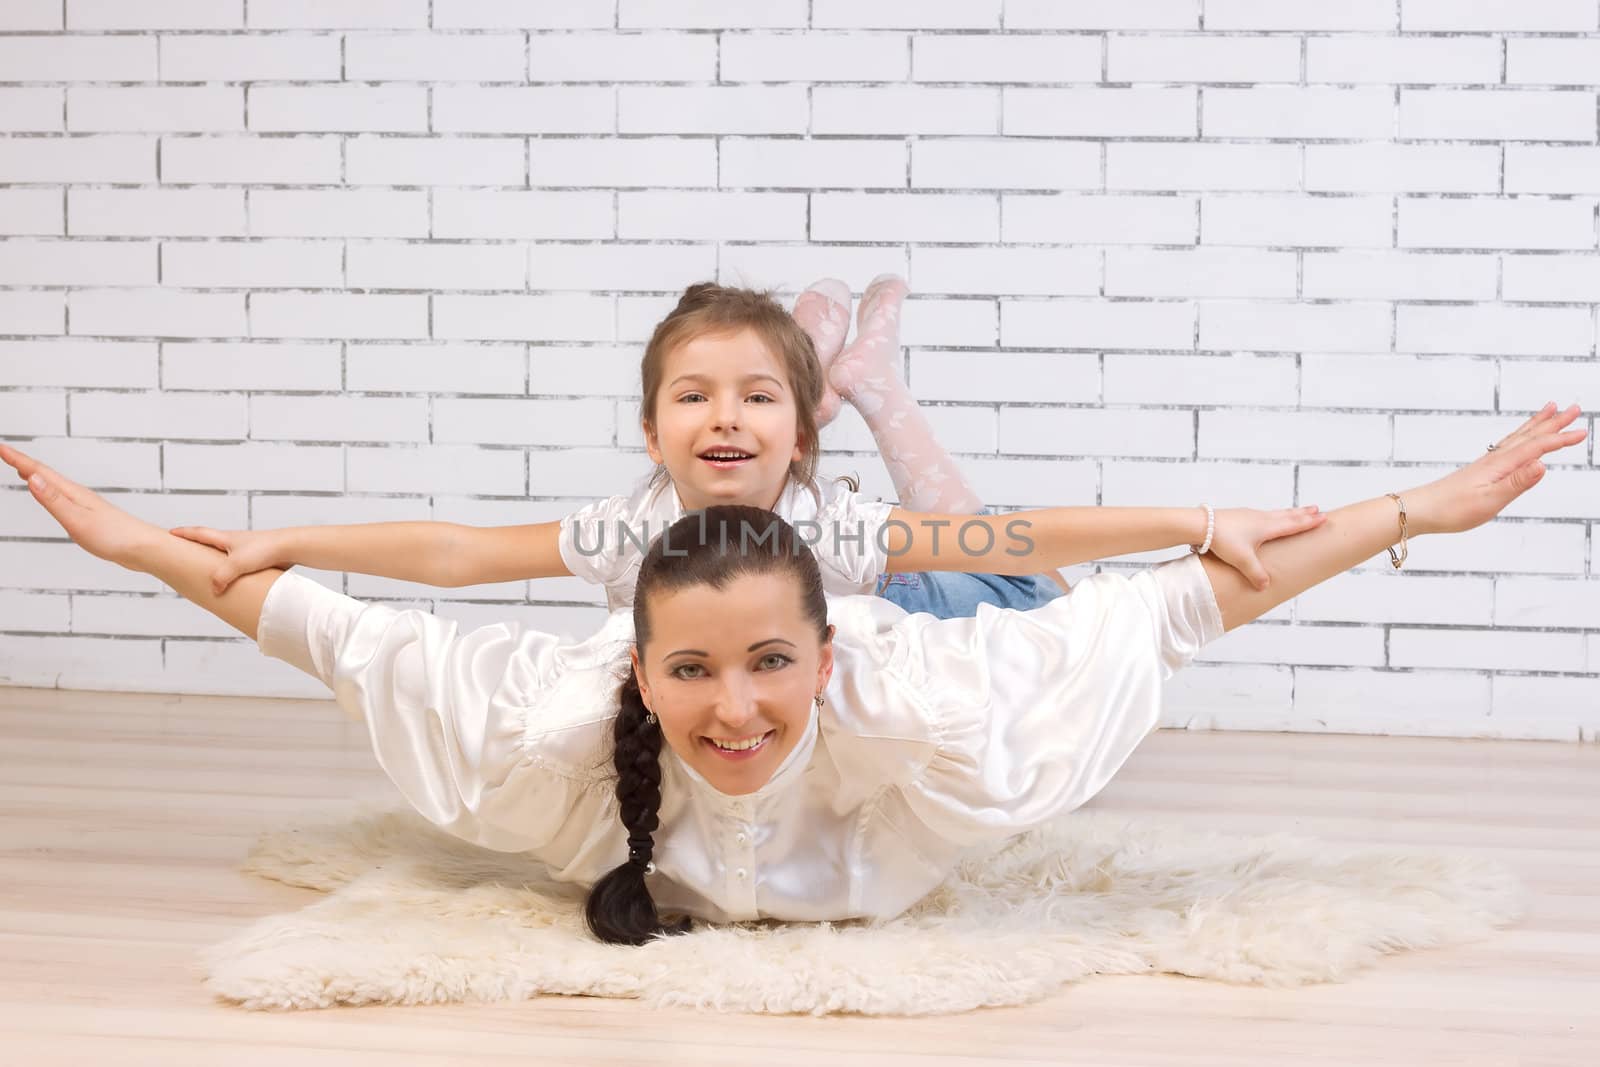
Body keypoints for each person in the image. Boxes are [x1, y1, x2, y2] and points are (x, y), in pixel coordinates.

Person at [1, 401, 1582, 944]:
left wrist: (1417, 510)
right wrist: (135, 539)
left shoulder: (917, 695)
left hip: (937, 611)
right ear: (634, 660)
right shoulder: (555, 729)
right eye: (692, 670)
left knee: (1014, 584)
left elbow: (1178, 607)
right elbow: (345, 616)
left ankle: (891, 392)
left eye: (771, 663)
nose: (737, 709)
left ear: (825, 655)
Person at [163, 279, 1257, 621]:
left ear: (793, 438)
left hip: (923, 602)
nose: (720, 416)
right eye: (693, 397)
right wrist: (285, 540)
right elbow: (459, 551)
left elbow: (1011, 532)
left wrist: (1191, 522)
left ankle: (868, 389)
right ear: (649, 433)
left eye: (755, 400)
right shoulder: (632, 524)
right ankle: (840, 375)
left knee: (1041, 594)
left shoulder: (828, 520)